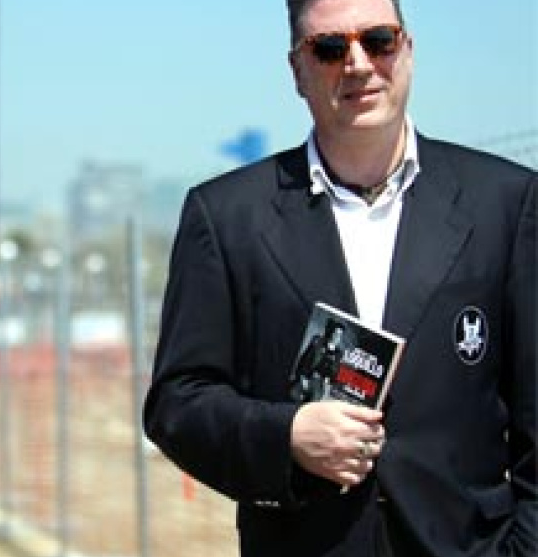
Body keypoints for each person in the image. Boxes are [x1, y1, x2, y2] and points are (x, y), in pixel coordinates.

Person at [142, 0, 536, 555]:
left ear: (408, 50)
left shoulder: (505, 203)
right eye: (328, 49)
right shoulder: (227, 217)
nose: (357, 64)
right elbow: (177, 404)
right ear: (297, 71)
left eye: (378, 40)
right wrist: (286, 437)